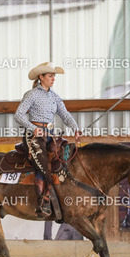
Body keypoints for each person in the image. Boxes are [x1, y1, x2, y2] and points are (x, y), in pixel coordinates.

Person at [14, 62, 81, 218]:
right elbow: (18, 115)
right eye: (50, 76)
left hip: (50, 135)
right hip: (34, 136)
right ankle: (42, 203)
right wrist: (33, 128)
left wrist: (75, 128)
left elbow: (65, 115)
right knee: (44, 165)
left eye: (54, 76)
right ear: (41, 77)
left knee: (65, 158)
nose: (53, 79)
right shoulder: (31, 94)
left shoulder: (55, 96)